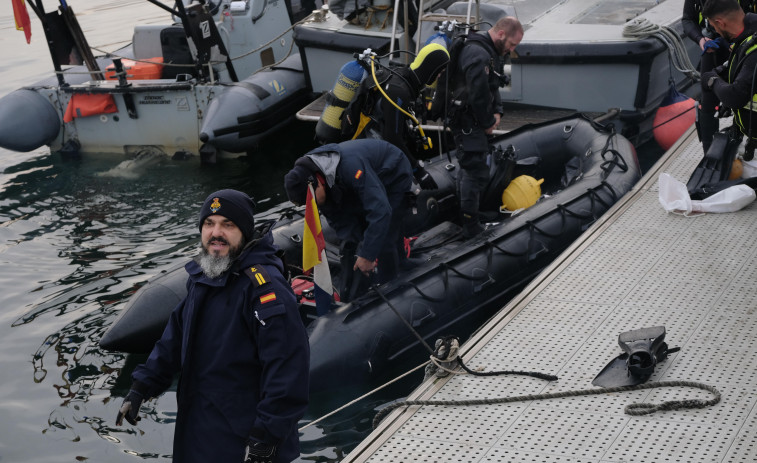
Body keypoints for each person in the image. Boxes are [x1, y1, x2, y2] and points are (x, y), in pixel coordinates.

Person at [114, 189, 310, 463]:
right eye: (209, 223)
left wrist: (267, 439)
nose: (216, 232)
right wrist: (141, 387)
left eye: (227, 225)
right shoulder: (204, 276)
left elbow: (287, 371)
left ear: (243, 231)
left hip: (243, 440)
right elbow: (175, 336)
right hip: (201, 430)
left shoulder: (263, 289)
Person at [283, 139, 413, 296]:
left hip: (392, 173)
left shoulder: (350, 167)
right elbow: (341, 223)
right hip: (355, 183)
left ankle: (391, 284)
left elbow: (381, 211)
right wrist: (358, 252)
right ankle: (382, 269)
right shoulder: (313, 180)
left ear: (317, 182)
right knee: (362, 238)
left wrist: (368, 254)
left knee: (386, 234)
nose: (313, 205)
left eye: (311, 201)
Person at [445, 16, 524, 238]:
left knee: (472, 167)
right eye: (512, 44)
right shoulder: (478, 54)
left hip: (474, 119)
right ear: (501, 34)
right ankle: (470, 225)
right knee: (475, 170)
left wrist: (498, 110)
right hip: (467, 121)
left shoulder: (492, 52)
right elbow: (478, 94)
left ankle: (468, 215)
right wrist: (488, 123)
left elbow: (493, 85)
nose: (512, 49)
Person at [373, 43, 450, 189]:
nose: (439, 76)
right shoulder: (398, 92)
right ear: (430, 68)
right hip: (376, 155)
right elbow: (392, 138)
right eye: (439, 72)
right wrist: (418, 171)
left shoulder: (406, 77)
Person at [702, 0, 757, 159]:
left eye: (714, 26)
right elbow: (736, 68)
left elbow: (736, 96)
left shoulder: (754, 50)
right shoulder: (747, 36)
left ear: (720, 23)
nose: (716, 31)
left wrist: (712, 81)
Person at [683, 0, 731, 153]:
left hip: (743, 45)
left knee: (745, 96)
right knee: (707, 103)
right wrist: (700, 39)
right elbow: (687, 18)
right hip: (712, 46)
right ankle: (709, 154)